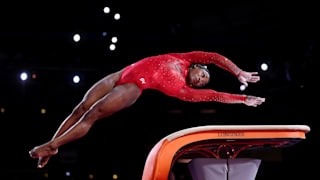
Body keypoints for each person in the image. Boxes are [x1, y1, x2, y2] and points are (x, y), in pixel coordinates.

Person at [29, 51, 265, 168]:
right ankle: (52, 144)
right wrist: (238, 72)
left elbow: (216, 97)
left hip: (133, 87)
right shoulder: (184, 58)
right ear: (196, 66)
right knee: (80, 108)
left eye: (204, 81)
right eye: (203, 74)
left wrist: (242, 99)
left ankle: (53, 146)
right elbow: (214, 57)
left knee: (92, 115)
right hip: (120, 74)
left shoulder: (183, 90)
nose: (203, 79)